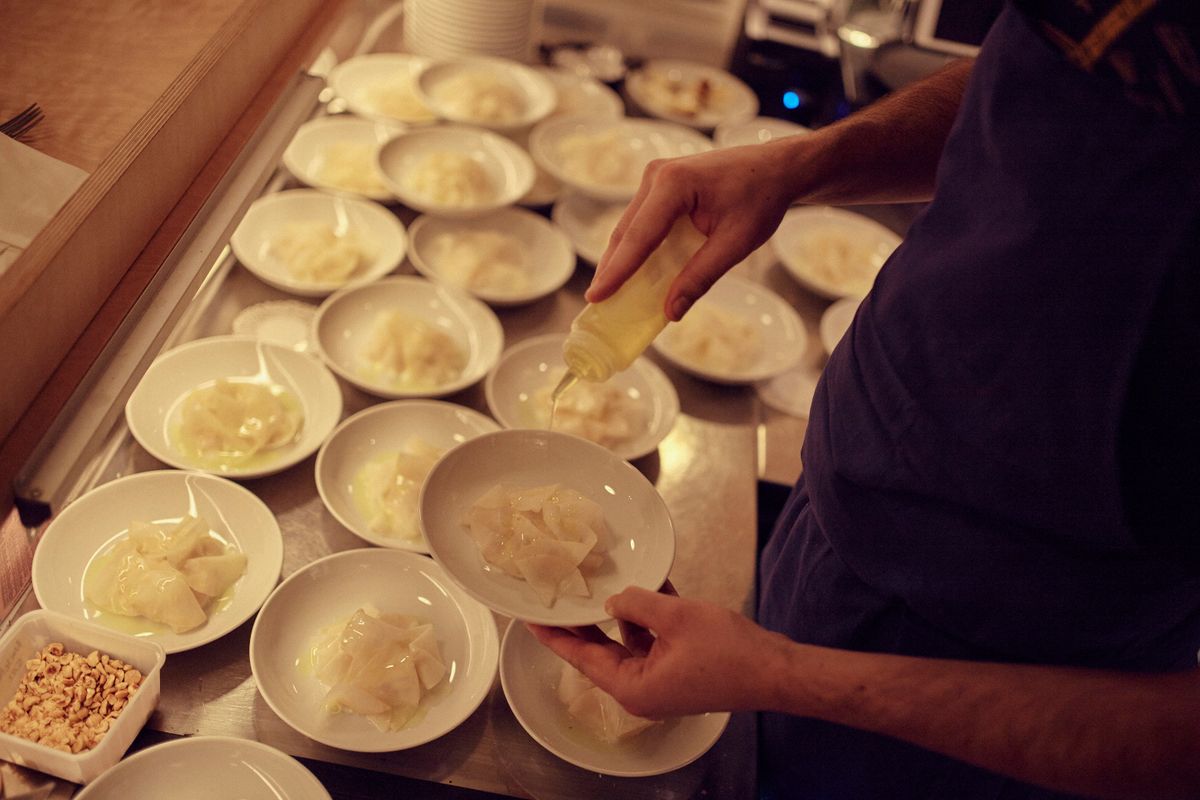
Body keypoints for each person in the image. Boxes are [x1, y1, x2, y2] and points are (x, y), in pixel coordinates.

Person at [529, 1, 1200, 798]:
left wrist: (784, 675)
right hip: (844, 513)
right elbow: (1047, 75)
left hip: (998, 704)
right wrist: (805, 164)